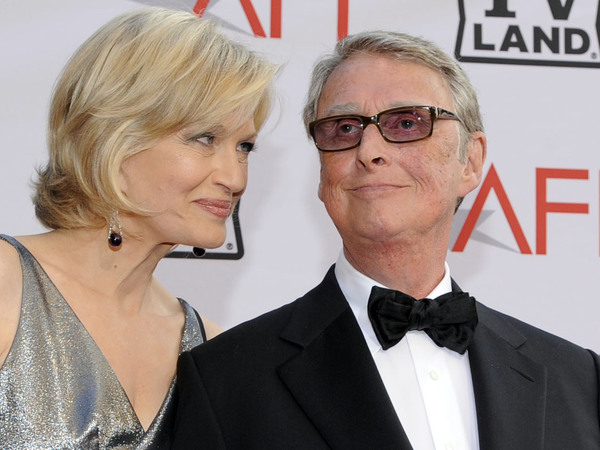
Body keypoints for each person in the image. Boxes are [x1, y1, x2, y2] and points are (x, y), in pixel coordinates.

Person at [173, 30, 600, 449]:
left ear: (470, 161)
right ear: (323, 175)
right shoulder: (226, 379)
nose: (369, 149)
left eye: (408, 123)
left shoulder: (577, 378)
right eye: (343, 128)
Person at [0, 7, 276, 449]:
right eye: (204, 138)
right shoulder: (8, 286)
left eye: (243, 146)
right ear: (114, 136)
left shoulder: (207, 346)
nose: (235, 177)